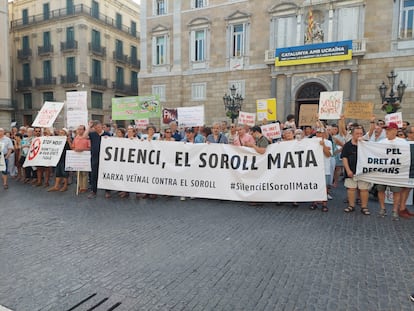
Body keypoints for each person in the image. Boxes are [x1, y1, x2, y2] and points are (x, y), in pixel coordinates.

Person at [376, 122, 409, 220]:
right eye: (386, 130)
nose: (387, 131)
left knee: (396, 191)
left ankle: (395, 210)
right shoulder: (381, 142)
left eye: (389, 129)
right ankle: (382, 208)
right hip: (383, 171)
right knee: (380, 189)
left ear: (395, 130)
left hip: (396, 172)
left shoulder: (403, 142)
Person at [341, 125, 371, 215]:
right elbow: (344, 158)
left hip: (363, 172)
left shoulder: (367, 144)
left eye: (361, 133)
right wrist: (348, 170)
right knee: (351, 189)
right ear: (352, 134)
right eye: (357, 133)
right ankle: (351, 206)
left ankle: (364, 207)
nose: (359, 135)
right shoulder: (347, 145)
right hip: (351, 170)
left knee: (364, 189)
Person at [84, 120, 111, 199]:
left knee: (106, 174)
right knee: (94, 174)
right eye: (95, 128)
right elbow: (84, 137)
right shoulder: (92, 134)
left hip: (105, 158)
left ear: (101, 126)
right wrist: (89, 126)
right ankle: (93, 191)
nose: (97, 129)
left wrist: (108, 139)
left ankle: (107, 191)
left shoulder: (107, 134)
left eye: (98, 127)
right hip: (94, 157)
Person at [309, 127, 332, 212]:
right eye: (317, 132)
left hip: (324, 168)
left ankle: (324, 204)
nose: (318, 134)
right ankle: (314, 202)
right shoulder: (311, 141)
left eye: (320, 132)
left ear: (324, 133)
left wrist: (323, 146)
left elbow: (328, 154)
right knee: (314, 185)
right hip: (314, 168)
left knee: (324, 187)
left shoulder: (328, 142)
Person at [71, 125, 91, 193]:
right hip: (77, 157)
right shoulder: (75, 137)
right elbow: (73, 147)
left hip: (84, 157)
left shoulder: (87, 138)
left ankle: (84, 187)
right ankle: (80, 186)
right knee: (78, 173)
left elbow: (90, 147)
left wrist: (83, 149)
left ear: (84, 130)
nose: (79, 130)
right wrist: (75, 149)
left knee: (84, 173)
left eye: (81, 129)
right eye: (78, 129)